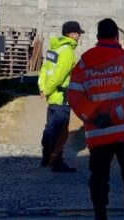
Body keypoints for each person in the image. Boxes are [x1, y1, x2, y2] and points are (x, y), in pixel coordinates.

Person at [67, 18, 124, 220]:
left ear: (97, 37)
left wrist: (93, 115)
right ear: (116, 36)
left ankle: (100, 215)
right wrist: (116, 113)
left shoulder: (84, 62)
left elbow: (74, 95)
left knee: (100, 177)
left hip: (99, 131)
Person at [38, 21, 84, 173]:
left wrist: (43, 88)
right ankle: (56, 162)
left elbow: (44, 69)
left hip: (52, 97)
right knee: (59, 131)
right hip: (61, 97)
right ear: (72, 34)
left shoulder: (54, 49)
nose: (79, 36)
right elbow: (59, 76)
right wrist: (49, 90)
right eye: (78, 33)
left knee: (50, 128)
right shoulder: (67, 51)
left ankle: (46, 159)